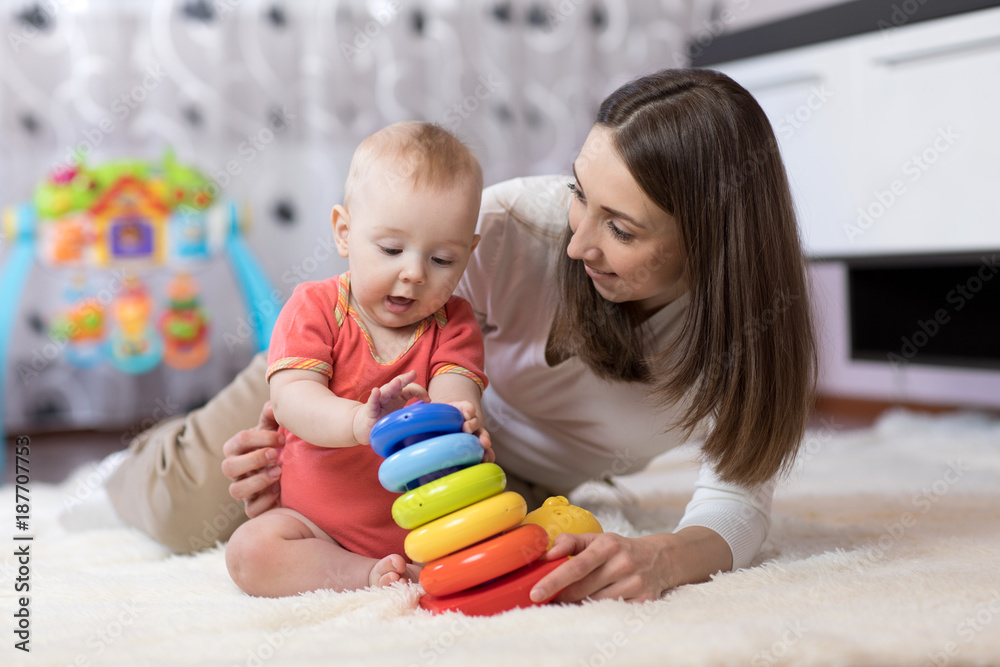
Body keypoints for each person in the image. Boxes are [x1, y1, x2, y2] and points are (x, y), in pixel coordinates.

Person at [104, 68, 816, 603]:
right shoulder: (509, 230)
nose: (578, 244)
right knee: (183, 511)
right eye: (580, 195)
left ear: (712, 244)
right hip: (348, 378)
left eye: (621, 229)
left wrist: (667, 557)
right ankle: (135, 458)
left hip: (486, 464)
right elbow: (387, 328)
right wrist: (294, 437)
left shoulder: (745, 336)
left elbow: (738, 500)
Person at [223, 121, 491, 597]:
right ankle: (361, 574)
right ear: (344, 233)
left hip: (427, 523)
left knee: (496, 530)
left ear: (469, 252)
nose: (413, 273)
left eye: (443, 260)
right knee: (251, 552)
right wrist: (357, 423)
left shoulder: (455, 322)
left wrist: (459, 422)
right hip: (314, 524)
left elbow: (457, 397)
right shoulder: (314, 307)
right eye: (391, 249)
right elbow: (292, 399)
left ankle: (413, 566)